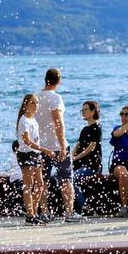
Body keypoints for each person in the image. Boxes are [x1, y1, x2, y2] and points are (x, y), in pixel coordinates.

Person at [36, 68, 80, 221]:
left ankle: (45, 211)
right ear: (59, 81)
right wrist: (62, 146)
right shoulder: (56, 98)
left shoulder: (36, 97)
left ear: (45, 79)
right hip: (55, 145)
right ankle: (69, 212)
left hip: (40, 146)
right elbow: (58, 123)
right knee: (66, 179)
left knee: (43, 180)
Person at [16, 94, 53, 224]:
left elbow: (35, 140)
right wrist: (45, 150)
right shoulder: (24, 120)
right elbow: (27, 141)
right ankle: (30, 215)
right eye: (32, 103)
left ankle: (34, 212)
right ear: (26, 105)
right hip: (26, 154)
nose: (35, 105)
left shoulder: (33, 120)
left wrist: (39, 154)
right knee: (28, 184)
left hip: (35, 154)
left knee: (40, 183)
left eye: (37, 103)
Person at [71, 100, 103, 214]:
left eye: (86, 110)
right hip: (80, 164)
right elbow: (78, 145)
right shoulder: (85, 129)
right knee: (61, 177)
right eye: (82, 110)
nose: (83, 112)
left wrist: (76, 157)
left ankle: (85, 206)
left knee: (72, 179)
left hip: (92, 165)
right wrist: (70, 157)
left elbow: (91, 147)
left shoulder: (97, 127)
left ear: (93, 111)